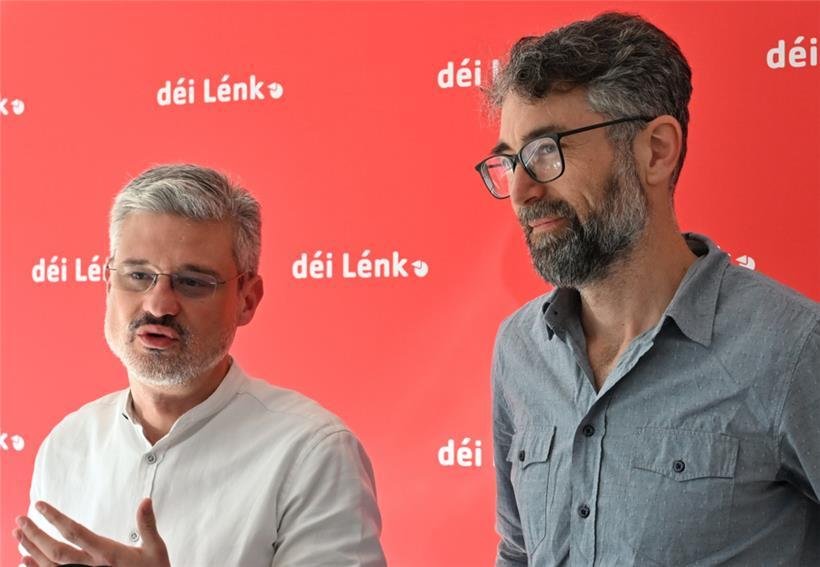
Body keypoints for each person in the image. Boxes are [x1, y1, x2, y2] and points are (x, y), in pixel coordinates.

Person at [476, 12, 819, 566]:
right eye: (511, 160)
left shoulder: (793, 347)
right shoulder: (519, 350)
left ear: (656, 151)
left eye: (546, 150)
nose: (520, 190)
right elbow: (517, 551)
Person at [13, 164, 386, 567]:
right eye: (139, 275)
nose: (158, 305)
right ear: (107, 284)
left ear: (247, 299)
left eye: (192, 282)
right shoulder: (68, 444)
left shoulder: (312, 453)